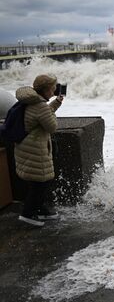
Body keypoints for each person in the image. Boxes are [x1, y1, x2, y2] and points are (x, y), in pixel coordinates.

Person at [15, 75, 64, 227]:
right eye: (53, 88)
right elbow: (52, 126)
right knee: (40, 183)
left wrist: (56, 104)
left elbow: (41, 115)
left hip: (27, 146)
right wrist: (53, 112)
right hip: (35, 148)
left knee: (39, 181)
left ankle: (40, 209)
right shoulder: (40, 106)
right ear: (47, 89)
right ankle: (27, 215)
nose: (55, 90)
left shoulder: (33, 100)